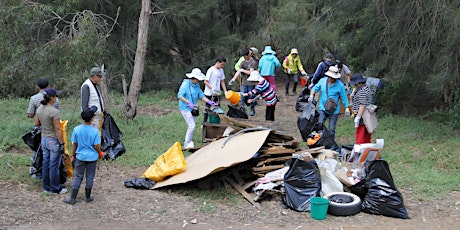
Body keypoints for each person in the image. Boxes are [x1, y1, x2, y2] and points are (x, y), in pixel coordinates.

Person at [64, 106, 104, 205]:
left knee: (78, 176)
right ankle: (87, 197)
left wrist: (73, 155)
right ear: (92, 118)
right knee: (90, 177)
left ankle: (72, 198)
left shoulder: (76, 129)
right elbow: (96, 146)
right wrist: (100, 152)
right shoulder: (95, 131)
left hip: (80, 156)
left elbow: (75, 145)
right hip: (92, 158)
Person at [34, 87, 68, 194]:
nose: (56, 98)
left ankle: (46, 187)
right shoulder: (54, 111)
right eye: (55, 96)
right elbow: (58, 129)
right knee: (54, 165)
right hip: (53, 140)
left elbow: (37, 123)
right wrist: (62, 143)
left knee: (46, 163)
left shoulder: (39, 109)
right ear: (52, 98)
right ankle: (55, 188)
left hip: (44, 139)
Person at [178, 68, 217, 148]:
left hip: (193, 108)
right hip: (185, 107)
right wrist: (188, 102)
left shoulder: (197, 85)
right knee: (192, 125)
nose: (199, 81)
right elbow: (180, 96)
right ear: (194, 78)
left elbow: (201, 95)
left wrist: (209, 101)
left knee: (193, 125)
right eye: (198, 79)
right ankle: (187, 143)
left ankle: (189, 140)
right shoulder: (185, 84)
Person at [308, 66, 349, 140]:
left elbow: (344, 97)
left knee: (332, 130)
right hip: (323, 108)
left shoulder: (340, 85)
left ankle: (331, 143)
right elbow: (315, 88)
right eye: (330, 77)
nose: (331, 79)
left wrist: (347, 108)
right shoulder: (322, 81)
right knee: (320, 125)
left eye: (333, 78)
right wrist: (311, 95)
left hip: (334, 110)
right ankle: (319, 141)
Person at [229, 48, 258, 116]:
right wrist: (233, 79)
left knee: (251, 96)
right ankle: (242, 109)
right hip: (244, 82)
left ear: (249, 55)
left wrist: (243, 71)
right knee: (242, 96)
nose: (244, 57)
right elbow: (239, 71)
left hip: (251, 82)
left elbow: (251, 72)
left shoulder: (253, 62)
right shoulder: (243, 62)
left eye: (245, 56)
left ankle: (252, 110)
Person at [350, 73, 373, 144]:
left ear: (359, 83)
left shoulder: (362, 91)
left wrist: (358, 117)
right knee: (367, 135)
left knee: (360, 135)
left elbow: (362, 105)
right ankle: (367, 150)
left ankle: (360, 151)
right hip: (368, 115)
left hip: (363, 115)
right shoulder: (366, 88)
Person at [203, 56, 228, 122]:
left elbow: (222, 81)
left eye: (223, 65)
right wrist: (212, 88)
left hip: (217, 92)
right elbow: (205, 81)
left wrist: (225, 91)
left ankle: (216, 120)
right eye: (221, 64)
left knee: (217, 107)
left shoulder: (221, 71)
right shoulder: (211, 70)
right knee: (207, 107)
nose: (222, 66)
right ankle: (204, 122)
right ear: (217, 62)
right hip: (209, 92)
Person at [81, 66, 105, 132]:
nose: (100, 79)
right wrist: (89, 119)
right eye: (99, 77)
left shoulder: (94, 85)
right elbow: (84, 106)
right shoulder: (86, 86)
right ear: (95, 76)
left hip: (98, 117)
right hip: (92, 119)